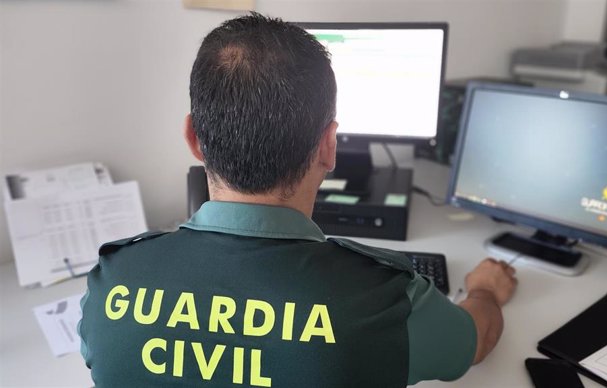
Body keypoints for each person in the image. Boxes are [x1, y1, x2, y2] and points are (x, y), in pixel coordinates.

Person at [78, 13, 517, 387]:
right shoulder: (385, 299)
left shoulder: (109, 286)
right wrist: (484, 291)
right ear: (329, 145)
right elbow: (477, 340)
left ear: (194, 139)